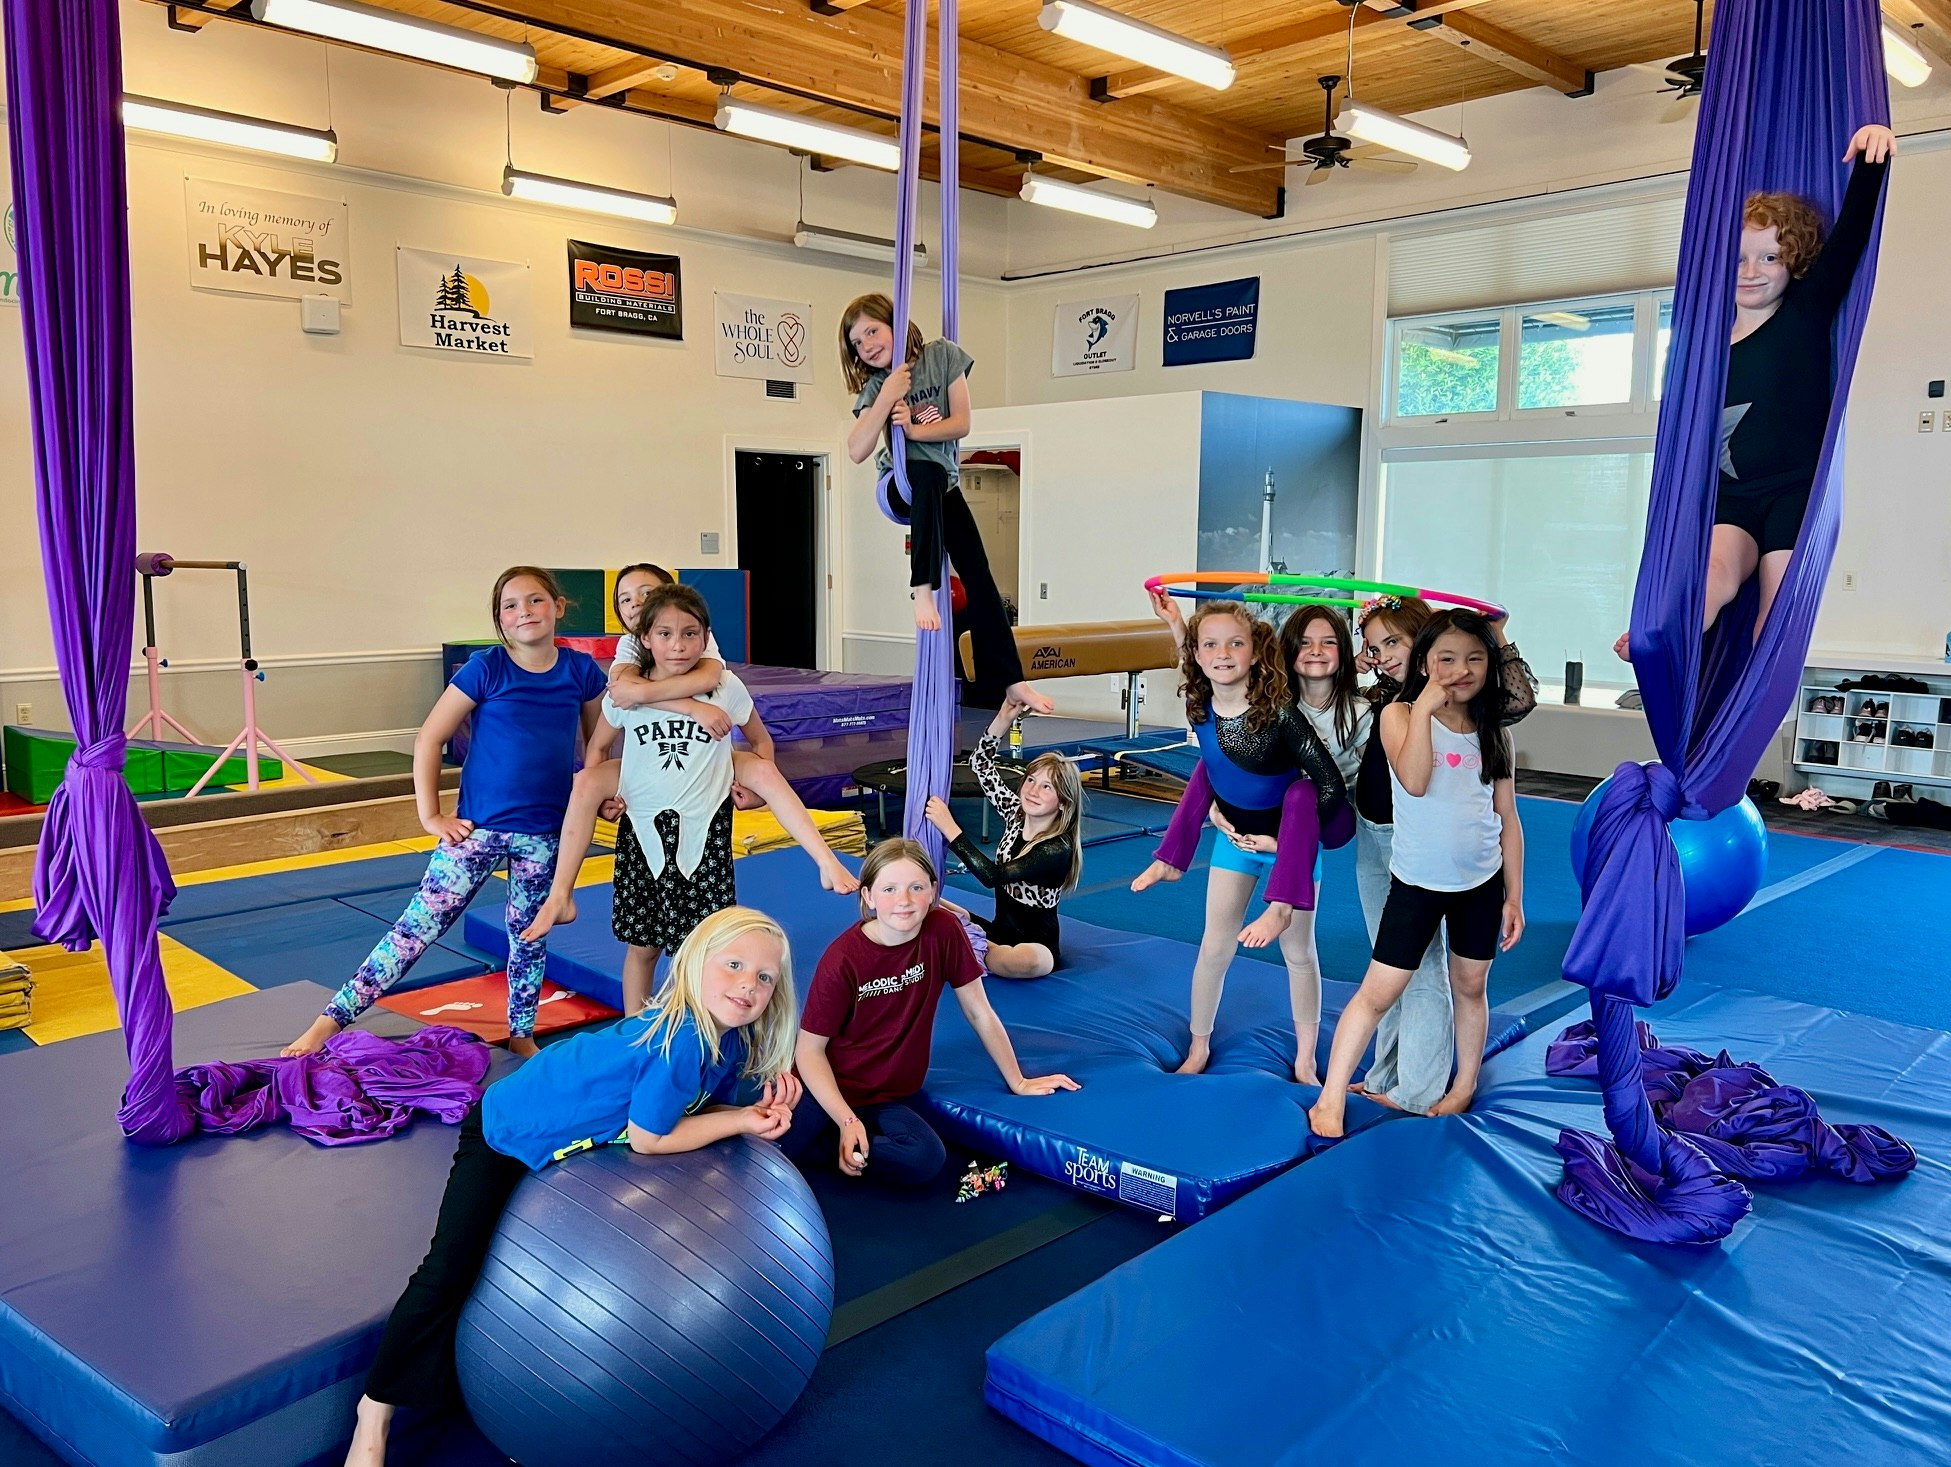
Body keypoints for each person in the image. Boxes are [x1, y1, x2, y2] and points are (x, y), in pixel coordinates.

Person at [339, 907, 800, 1467]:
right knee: (449, 1269)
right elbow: (650, 1139)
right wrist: (743, 1122)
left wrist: (749, 1111)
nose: (748, 985)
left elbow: (692, 1106)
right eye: (734, 965)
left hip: (559, 1132)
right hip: (505, 1132)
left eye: (764, 976)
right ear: (696, 963)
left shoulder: (723, 1042)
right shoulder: (680, 1040)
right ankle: (375, 1408)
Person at [282, 567, 606, 1060]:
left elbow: (599, 743)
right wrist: (431, 816)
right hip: (475, 831)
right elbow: (429, 738)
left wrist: (600, 794)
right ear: (499, 619)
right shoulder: (487, 667)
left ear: (558, 606)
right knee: (415, 930)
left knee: (528, 938)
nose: (525, 613)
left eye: (535, 601)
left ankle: (522, 1032)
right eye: (511, 606)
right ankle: (329, 1021)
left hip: (545, 833)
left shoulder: (579, 671)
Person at [1616, 124, 1895, 660]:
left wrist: (1872, 162)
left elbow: (1853, 237)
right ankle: (1660, 644)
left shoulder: (1805, 314)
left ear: (1795, 261)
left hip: (1794, 491)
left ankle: (1749, 704)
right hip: (1733, 497)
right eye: (1741, 258)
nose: (1752, 271)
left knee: (1776, 608)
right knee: (1715, 576)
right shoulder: (1703, 347)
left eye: (1769, 257)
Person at [529, 563, 857, 928]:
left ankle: (826, 860)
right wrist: (606, 793)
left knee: (762, 769)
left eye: (647, 594)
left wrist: (755, 792)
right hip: (645, 770)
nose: (637, 603)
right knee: (587, 781)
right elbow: (612, 716)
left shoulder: (712, 666)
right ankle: (561, 894)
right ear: (643, 635)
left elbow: (755, 733)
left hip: (710, 764)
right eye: (626, 599)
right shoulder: (628, 656)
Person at [1310, 611, 1526, 1140]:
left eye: (1474, 658)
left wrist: (1514, 895)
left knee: (1470, 986)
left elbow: (1508, 817)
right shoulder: (1399, 715)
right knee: (1378, 991)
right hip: (1417, 885)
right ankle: (1330, 1096)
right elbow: (1414, 779)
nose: (1461, 669)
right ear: (1425, 663)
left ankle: (1463, 1084)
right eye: (1446, 659)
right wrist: (1427, 702)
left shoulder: (1493, 731)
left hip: (1480, 883)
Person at [1131, 600, 1348, 1082]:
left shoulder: (1279, 714)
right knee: (1214, 946)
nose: (1223, 653)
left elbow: (1328, 785)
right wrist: (1175, 624)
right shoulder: (1200, 703)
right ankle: (1198, 1046)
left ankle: (1306, 1058)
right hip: (1236, 838)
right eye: (1211, 645)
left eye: (1236, 643)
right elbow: (1197, 658)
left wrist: (1294, 846)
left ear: (1255, 653)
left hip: (1290, 845)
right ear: (1198, 655)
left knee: (1299, 952)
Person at [785, 838, 1078, 1188]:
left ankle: (841, 1148)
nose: (904, 901)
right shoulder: (843, 960)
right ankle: (842, 1142)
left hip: (888, 1095)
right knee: (776, 1146)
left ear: (933, 891)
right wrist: (847, 1121)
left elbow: (979, 1011)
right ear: (868, 897)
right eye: (890, 889)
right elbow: (809, 1051)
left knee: (925, 1159)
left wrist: (1018, 1080)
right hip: (827, 1088)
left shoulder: (943, 930)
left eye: (916, 887)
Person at [838, 293, 1052, 716]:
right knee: (927, 474)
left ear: (895, 325)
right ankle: (922, 590)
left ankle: (1012, 680)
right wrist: (887, 397)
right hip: (899, 485)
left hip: (942, 486)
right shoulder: (878, 386)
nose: (867, 346)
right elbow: (856, 449)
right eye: (857, 342)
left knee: (979, 573)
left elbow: (962, 423)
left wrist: (915, 431)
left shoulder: (943, 356)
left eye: (872, 332)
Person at [921, 697, 1084, 979]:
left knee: (1034, 960)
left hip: (1035, 947)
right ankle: (974, 942)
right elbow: (981, 764)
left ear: (1062, 802)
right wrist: (1003, 719)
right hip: (999, 931)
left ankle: (972, 948)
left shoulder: (1057, 847)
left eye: (1047, 787)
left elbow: (992, 876)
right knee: (927, 901)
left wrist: (950, 827)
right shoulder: (1016, 814)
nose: (1033, 790)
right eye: (1031, 780)